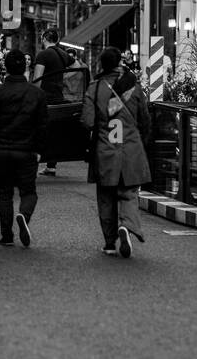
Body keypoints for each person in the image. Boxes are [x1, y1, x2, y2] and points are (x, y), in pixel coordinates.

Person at [81, 45, 152, 258]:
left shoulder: (95, 88)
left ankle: (110, 243)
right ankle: (127, 225)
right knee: (129, 192)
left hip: (106, 150)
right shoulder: (134, 87)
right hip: (130, 148)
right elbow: (145, 119)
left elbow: (87, 121)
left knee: (106, 196)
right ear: (120, 62)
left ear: (102, 64)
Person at [0, 48, 48, 248]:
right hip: (27, 149)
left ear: (6, 67)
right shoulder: (37, 94)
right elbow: (42, 125)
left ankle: (6, 236)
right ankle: (24, 215)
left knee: (5, 192)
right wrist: (40, 149)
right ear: (25, 66)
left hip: (1, 150)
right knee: (28, 191)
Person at [32, 27, 75, 176]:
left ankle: (33, 163)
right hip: (58, 95)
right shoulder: (64, 54)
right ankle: (51, 165)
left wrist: (33, 96)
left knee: (38, 129)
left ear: (44, 38)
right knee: (54, 130)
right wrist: (65, 79)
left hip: (44, 97)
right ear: (57, 40)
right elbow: (78, 66)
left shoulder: (43, 55)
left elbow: (38, 78)